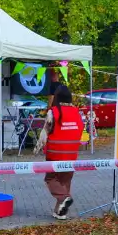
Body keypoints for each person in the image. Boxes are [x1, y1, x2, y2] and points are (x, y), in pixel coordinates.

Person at [37, 83, 84, 220]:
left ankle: (64, 198)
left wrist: (38, 148)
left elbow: (45, 133)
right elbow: (80, 129)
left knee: (51, 179)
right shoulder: (76, 112)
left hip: (55, 153)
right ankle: (60, 212)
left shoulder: (53, 112)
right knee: (64, 182)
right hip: (71, 154)